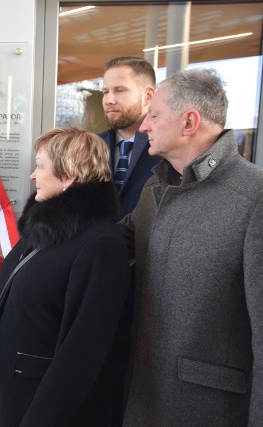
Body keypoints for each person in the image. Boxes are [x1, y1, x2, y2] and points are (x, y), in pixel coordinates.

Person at [0, 128, 131, 426]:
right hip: (11, 393)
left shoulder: (101, 245)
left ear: (69, 175)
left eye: (41, 166)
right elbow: (16, 286)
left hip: (40, 407)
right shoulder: (47, 226)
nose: (33, 176)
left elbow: (81, 352)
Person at [119, 69, 263, 425]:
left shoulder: (254, 197)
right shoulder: (156, 189)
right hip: (140, 396)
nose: (143, 127)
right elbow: (108, 246)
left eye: (153, 115)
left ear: (189, 122)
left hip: (207, 410)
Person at [101, 56, 161, 218]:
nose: (109, 100)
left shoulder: (168, 149)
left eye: (119, 90)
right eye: (105, 92)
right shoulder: (89, 147)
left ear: (148, 96)